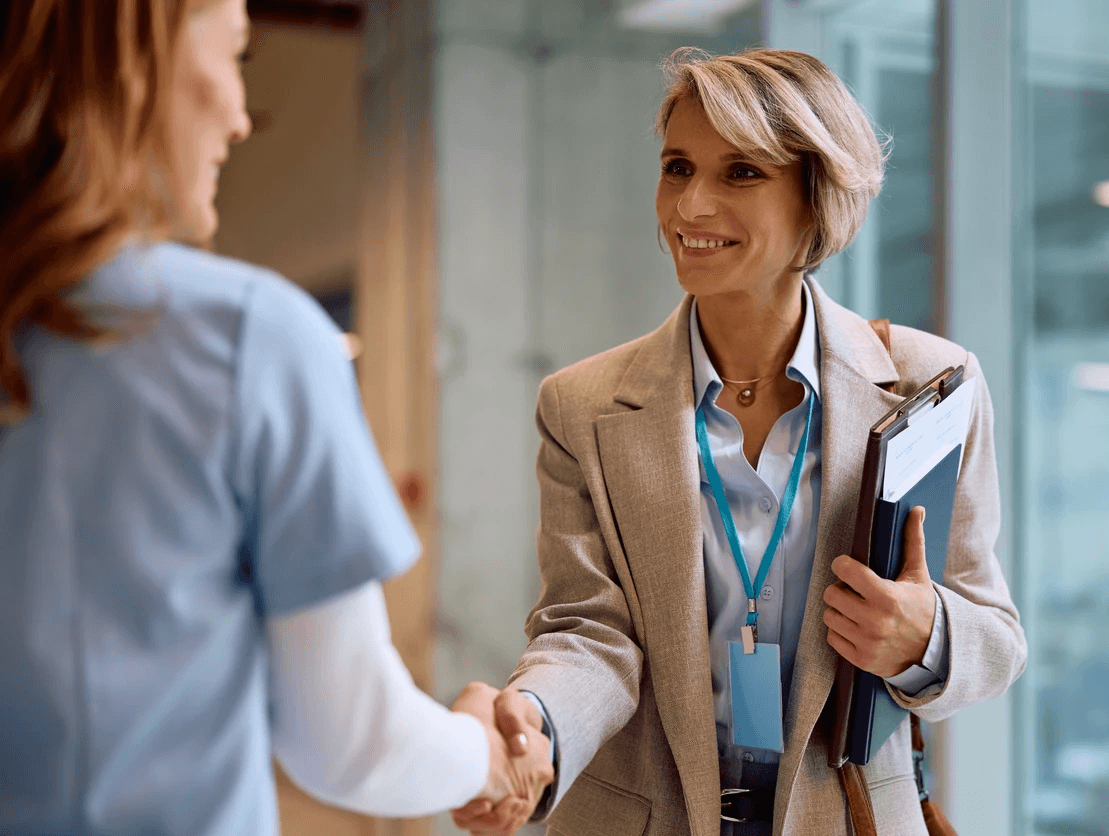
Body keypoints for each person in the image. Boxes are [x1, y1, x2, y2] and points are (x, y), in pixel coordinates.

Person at [0, 1, 551, 834]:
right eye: (234, 58)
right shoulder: (242, 336)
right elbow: (349, 739)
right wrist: (487, 752)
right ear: (132, 62)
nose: (237, 114)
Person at [452, 47, 1027, 836]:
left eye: (740, 173)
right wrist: (535, 727)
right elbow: (587, 630)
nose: (690, 205)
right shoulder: (580, 407)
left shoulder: (931, 382)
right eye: (678, 167)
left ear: (815, 192)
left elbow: (995, 636)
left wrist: (922, 636)